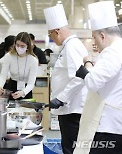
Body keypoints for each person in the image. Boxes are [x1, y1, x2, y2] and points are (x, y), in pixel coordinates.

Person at [74, 1, 122, 154]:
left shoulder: (112, 51)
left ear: (102, 35)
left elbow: (93, 83)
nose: (94, 42)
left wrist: (87, 65)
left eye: (94, 37)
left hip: (108, 126)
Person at [43, 4, 88, 154]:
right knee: (68, 147)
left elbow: (80, 76)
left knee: (71, 149)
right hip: (69, 108)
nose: (51, 38)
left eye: (51, 35)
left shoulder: (72, 46)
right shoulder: (68, 46)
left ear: (57, 31)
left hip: (72, 109)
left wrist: (61, 98)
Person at [0, 32, 38, 100]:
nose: (19, 48)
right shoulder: (9, 56)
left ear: (28, 46)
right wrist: (0, 86)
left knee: (26, 110)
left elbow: (31, 83)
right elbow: (3, 75)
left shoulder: (33, 60)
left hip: (26, 90)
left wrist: (23, 92)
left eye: (22, 46)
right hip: (12, 87)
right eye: (17, 45)